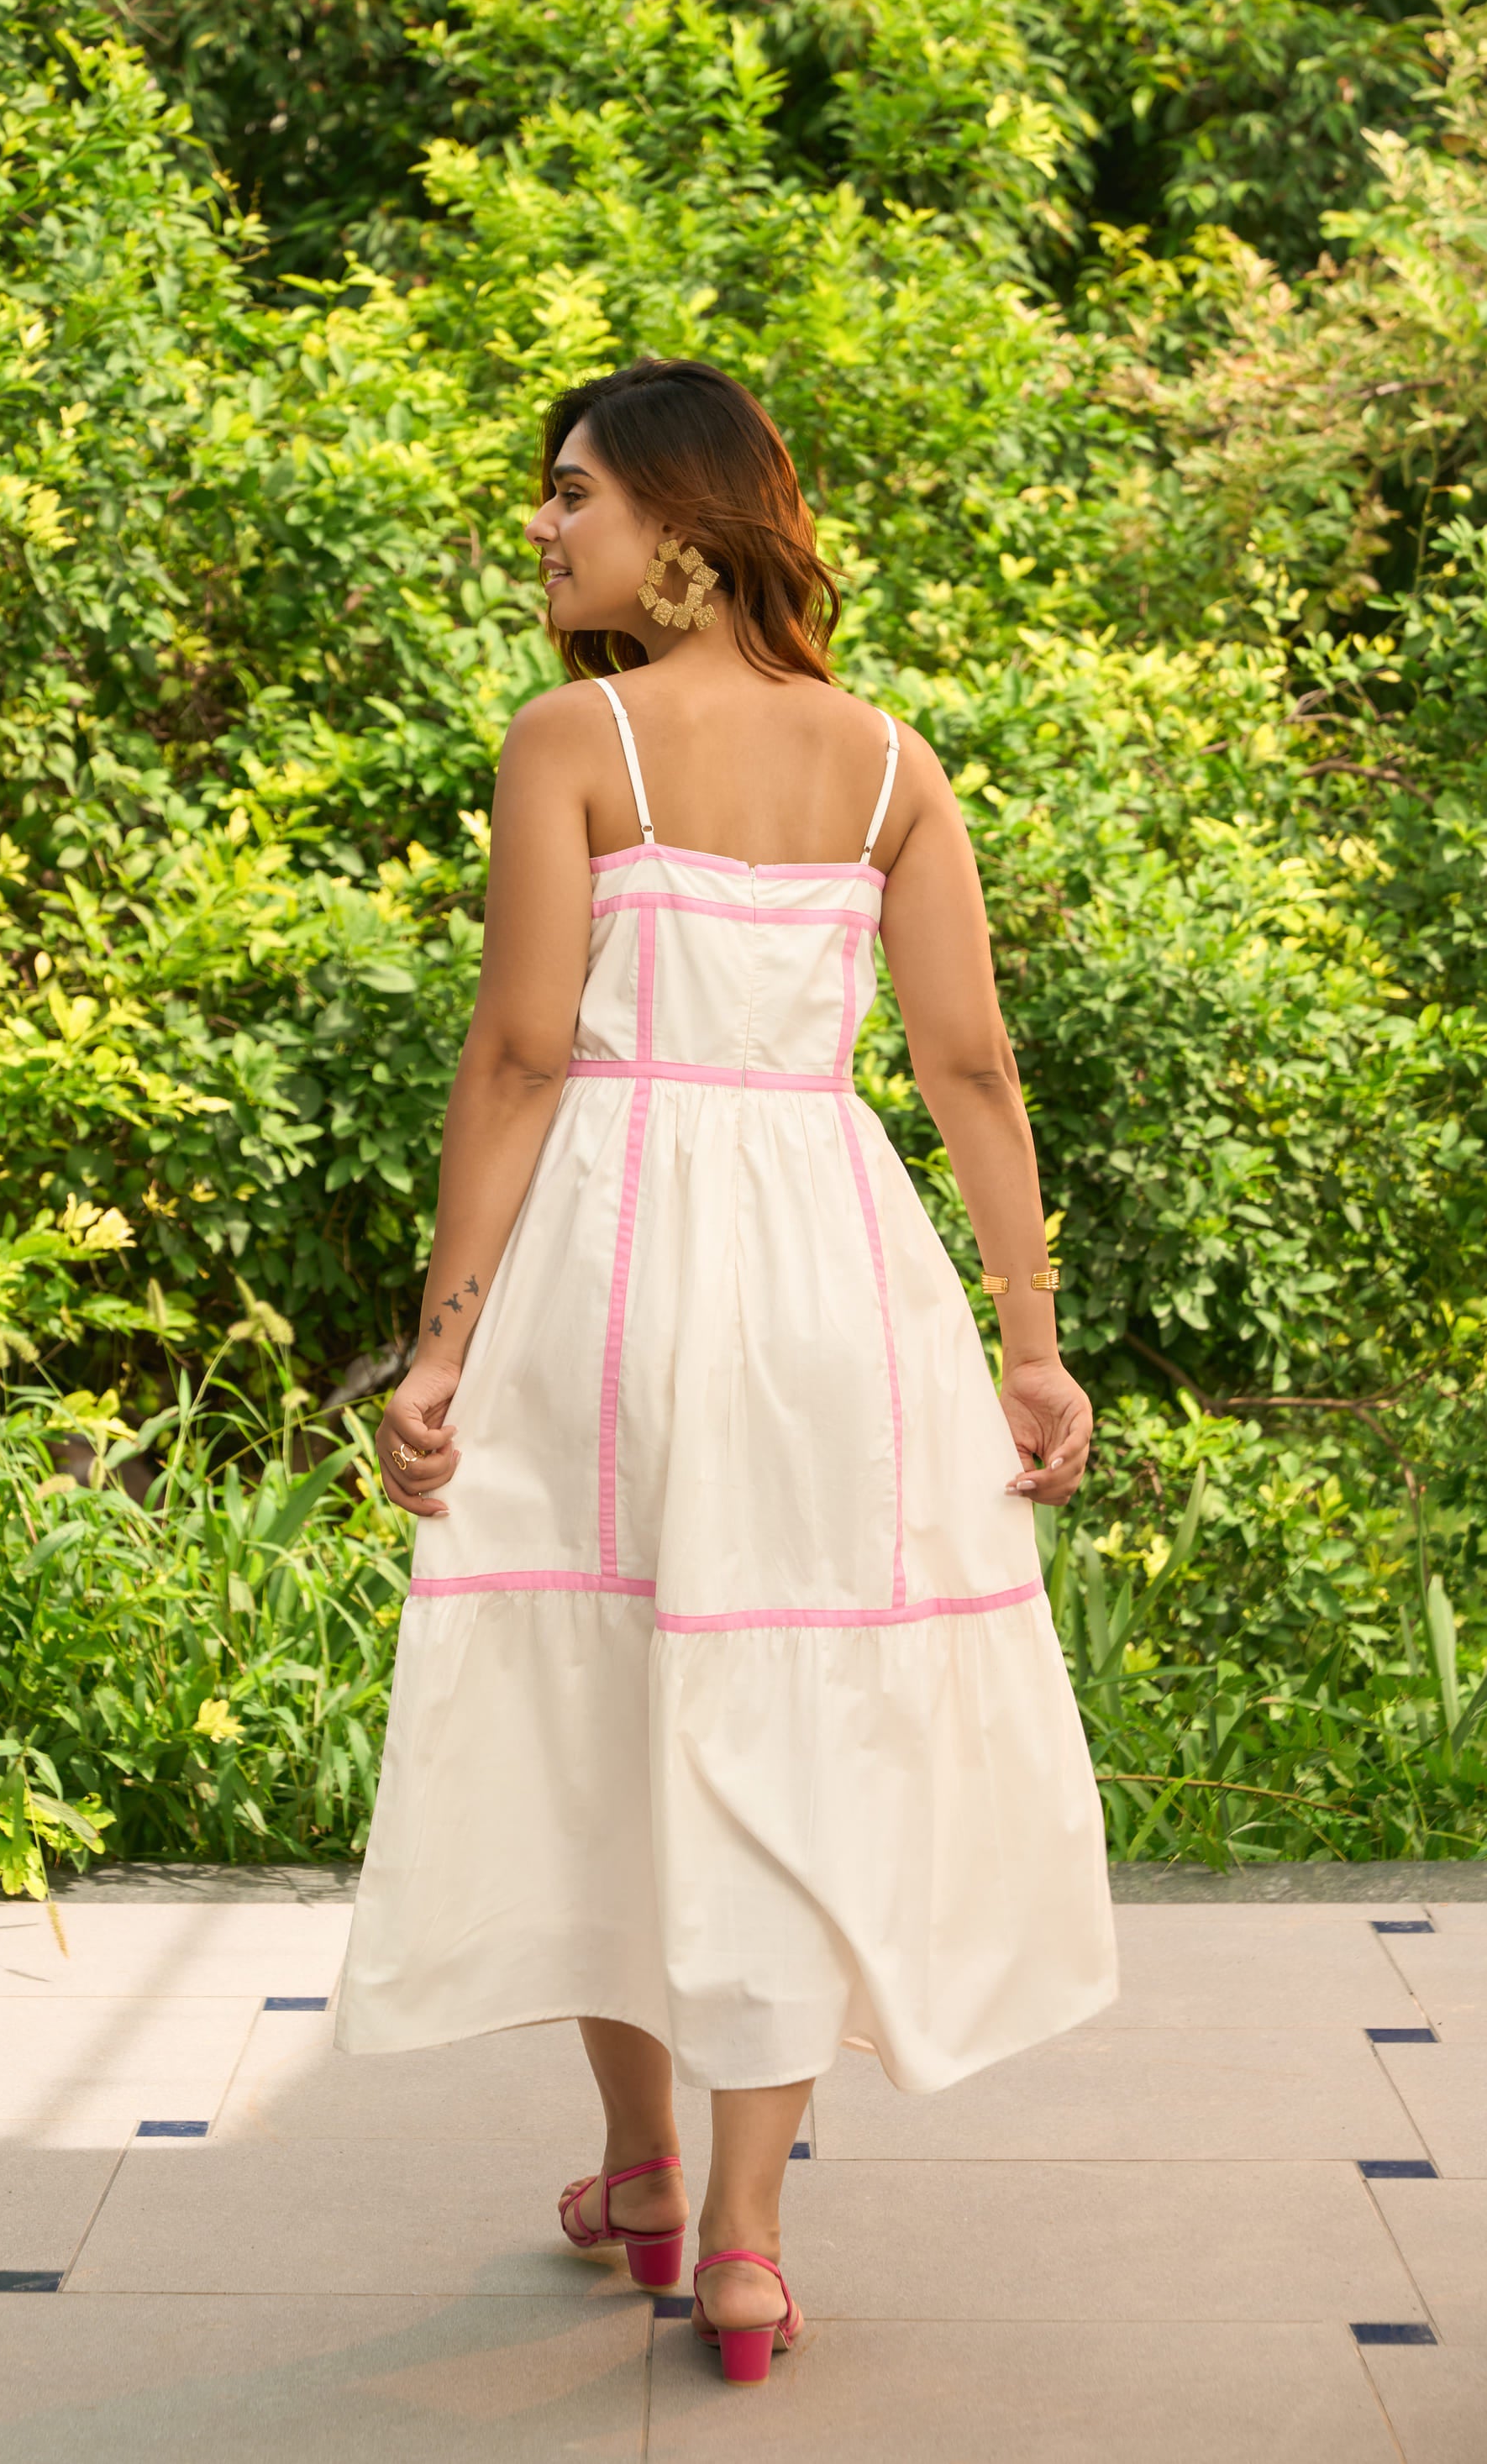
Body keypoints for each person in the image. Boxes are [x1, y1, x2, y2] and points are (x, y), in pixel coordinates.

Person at [334, 358, 1116, 2383]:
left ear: (681, 517)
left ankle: (641, 2161)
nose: (539, 523)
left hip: (614, 1269)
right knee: (786, 1698)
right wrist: (1025, 1338)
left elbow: (516, 1055)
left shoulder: (568, 737)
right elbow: (966, 1069)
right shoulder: (884, 762)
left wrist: (440, 1348)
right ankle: (746, 2246)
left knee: (608, 1684)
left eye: (569, 489)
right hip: (833, 1272)